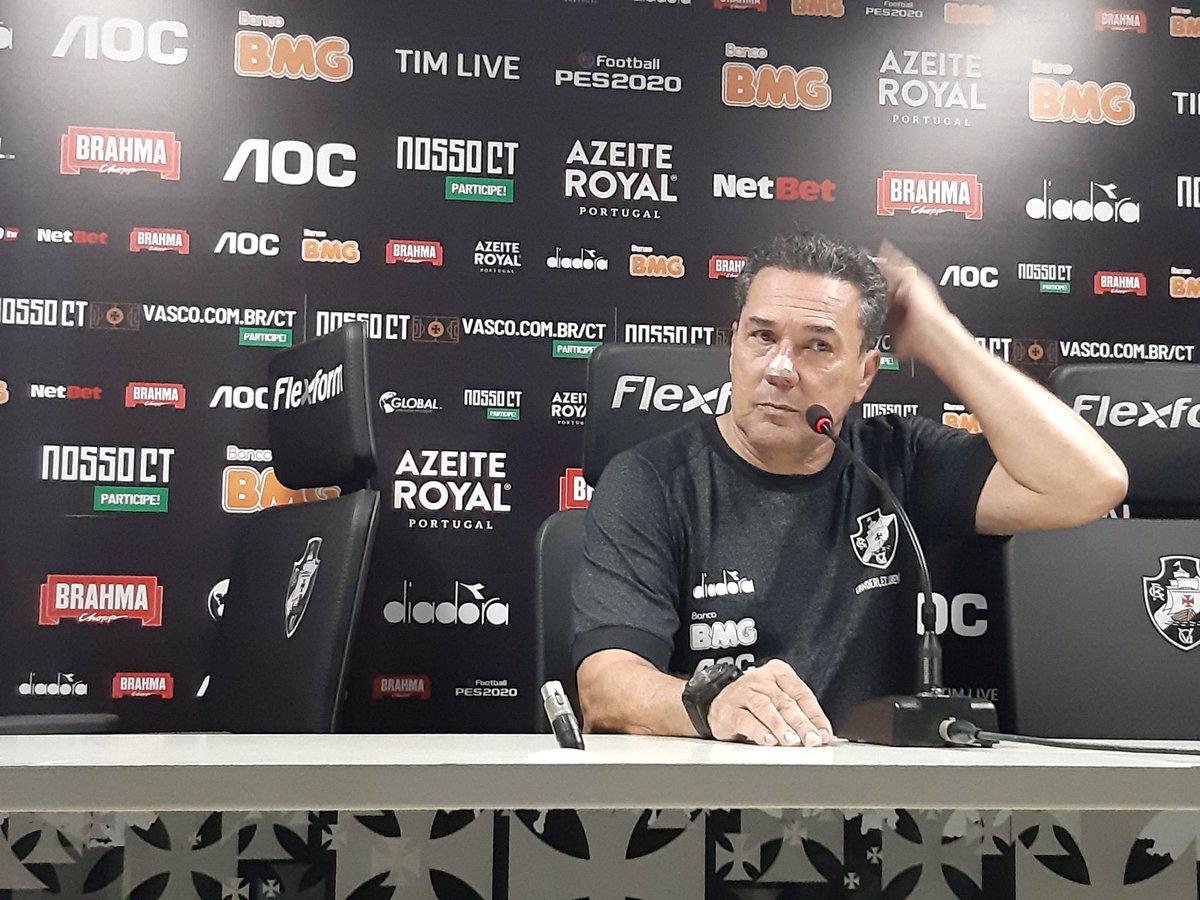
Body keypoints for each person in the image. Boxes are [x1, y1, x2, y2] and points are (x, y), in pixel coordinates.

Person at [570, 230, 1128, 748]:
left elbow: (1091, 483)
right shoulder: (651, 480)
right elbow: (605, 687)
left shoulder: (898, 460)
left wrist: (940, 336)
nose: (781, 368)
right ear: (733, 346)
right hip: (714, 796)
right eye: (762, 337)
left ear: (864, 374)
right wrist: (710, 703)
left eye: (817, 346)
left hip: (876, 798)